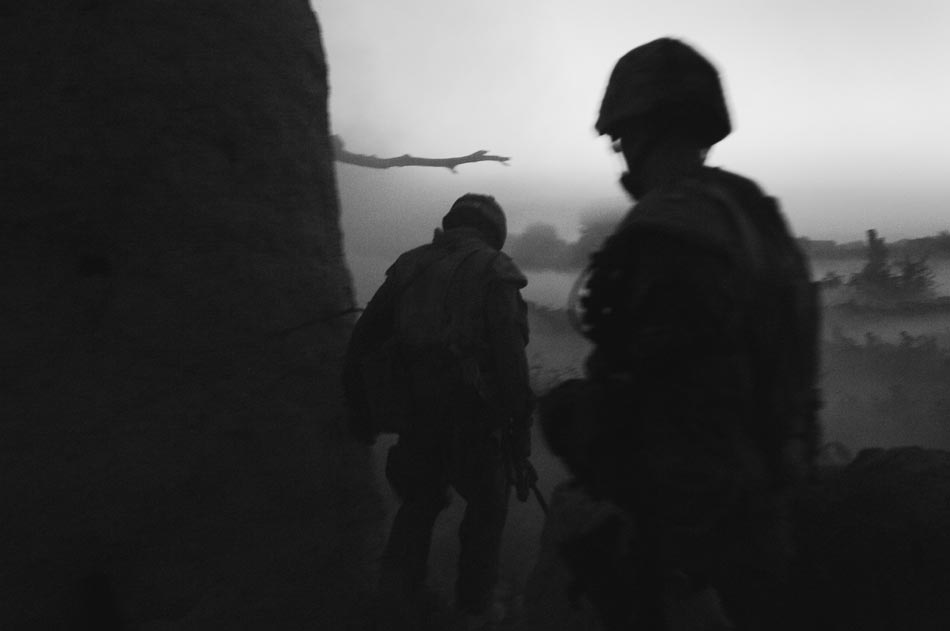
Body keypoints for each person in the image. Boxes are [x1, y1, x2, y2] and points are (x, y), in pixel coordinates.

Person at [541, 38, 821, 630]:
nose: (620, 154)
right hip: (775, 511)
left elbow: (684, 417)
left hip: (697, 545)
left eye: (620, 138)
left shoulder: (667, 231)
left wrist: (681, 576)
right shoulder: (751, 214)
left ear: (640, 132)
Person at [343, 194, 534, 629]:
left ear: (450, 223)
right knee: (486, 512)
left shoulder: (409, 265)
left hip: (417, 417)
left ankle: (395, 603)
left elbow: (362, 342)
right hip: (476, 420)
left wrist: (361, 413)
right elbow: (510, 362)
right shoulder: (494, 268)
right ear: (495, 234)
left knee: (419, 504)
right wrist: (519, 435)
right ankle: (473, 610)